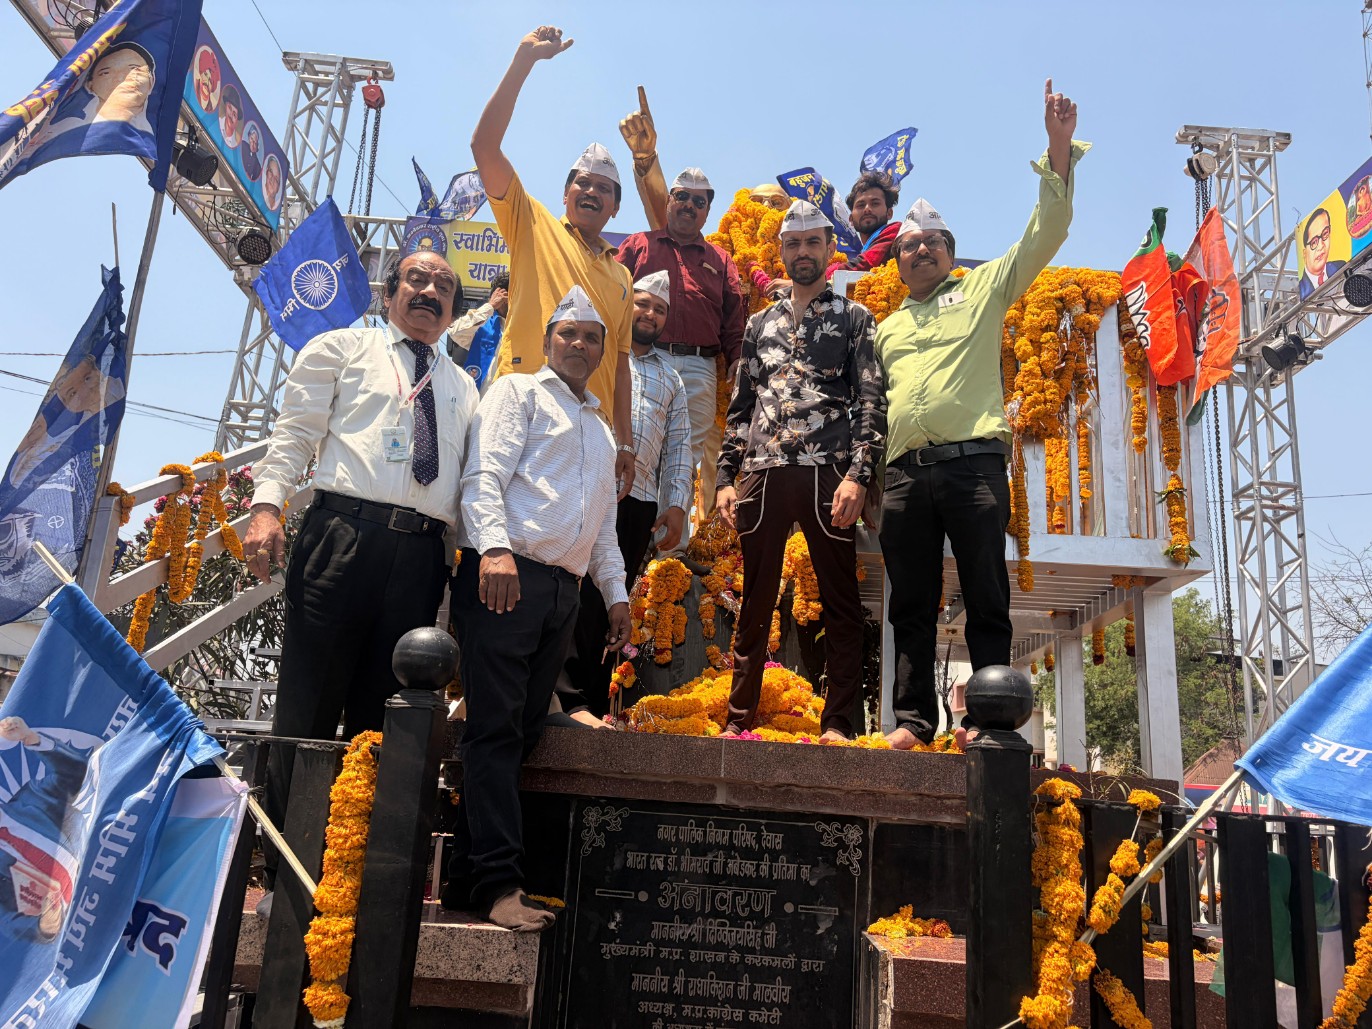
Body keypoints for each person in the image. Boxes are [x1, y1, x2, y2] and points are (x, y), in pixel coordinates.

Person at [242, 250, 479, 902]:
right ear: (389, 291)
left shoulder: (465, 387)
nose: (430, 292)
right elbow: (293, 435)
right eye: (417, 280)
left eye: (443, 286)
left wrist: (462, 579)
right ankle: (286, 866)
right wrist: (266, 506)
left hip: (420, 558)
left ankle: (352, 874)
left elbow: (470, 491)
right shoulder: (341, 348)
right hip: (340, 538)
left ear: (454, 306)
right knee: (308, 705)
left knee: (384, 719)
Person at [876, 79, 1084, 749]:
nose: (923, 250)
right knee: (908, 603)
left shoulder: (983, 289)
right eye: (912, 245)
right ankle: (911, 721)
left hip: (972, 467)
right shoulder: (883, 329)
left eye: (935, 241)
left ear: (950, 250)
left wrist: (1057, 150)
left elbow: (1043, 233)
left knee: (987, 593)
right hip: (904, 476)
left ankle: (986, 720)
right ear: (899, 261)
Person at [443, 285, 629, 931]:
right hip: (507, 576)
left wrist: (618, 595)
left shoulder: (602, 431)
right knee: (495, 729)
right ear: (548, 338)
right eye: (568, 332)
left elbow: (603, 527)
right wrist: (492, 548)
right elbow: (484, 476)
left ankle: (468, 873)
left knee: (520, 733)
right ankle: (500, 883)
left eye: (591, 336)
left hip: (563, 594)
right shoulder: (517, 392)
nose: (579, 343)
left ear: (602, 350)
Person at [716, 200, 886, 742]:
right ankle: (738, 721)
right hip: (763, 471)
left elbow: (869, 400)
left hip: (828, 472)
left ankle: (839, 723)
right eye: (794, 244)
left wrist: (859, 474)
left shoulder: (854, 318)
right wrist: (724, 477)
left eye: (814, 242)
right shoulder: (759, 322)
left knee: (839, 601)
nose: (803, 252)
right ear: (782, 251)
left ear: (829, 249)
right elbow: (741, 403)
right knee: (754, 603)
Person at [470, 25, 636, 498]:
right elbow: (484, 146)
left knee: (567, 560)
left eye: (603, 188)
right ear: (565, 195)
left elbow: (621, 366)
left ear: (615, 208)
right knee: (490, 541)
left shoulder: (623, 275)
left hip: (589, 430)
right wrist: (524, 61)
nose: (591, 190)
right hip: (521, 405)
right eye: (581, 183)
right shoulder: (531, 222)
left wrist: (623, 440)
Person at [559, 270, 693, 724]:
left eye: (658, 309)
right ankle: (564, 698)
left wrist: (675, 505)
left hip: (637, 501)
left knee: (611, 602)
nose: (649, 313)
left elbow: (679, 447)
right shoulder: (599, 355)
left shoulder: (670, 378)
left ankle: (594, 703)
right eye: (641, 304)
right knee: (570, 591)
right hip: (582, 486)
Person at [617, 168, 746, 530]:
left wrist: (736, 359)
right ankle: (625, 534)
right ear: (669, 202)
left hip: (699, 367)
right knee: (634, 445)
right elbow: (611, 298)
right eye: (682, 197)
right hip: (641, 358)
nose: (689, 205)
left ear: (707, 212)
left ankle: (669, 555)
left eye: (699, 201)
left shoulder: (720, 260)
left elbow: (734, 318)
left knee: (684, 459)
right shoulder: (639, 245)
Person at [0, 716, 96, 943]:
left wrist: (30, 738)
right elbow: (11, 924)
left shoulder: (33, 799)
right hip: (77, 892)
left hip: (106, 847)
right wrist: (46, 926)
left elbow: (76, 774)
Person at [827, 170, 901, 278]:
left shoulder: (895, 231)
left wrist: (820, 278)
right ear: (851, 219)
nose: (867, 209)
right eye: (860, 205)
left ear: (889, 213)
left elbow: (866, 264)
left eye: (875, 203)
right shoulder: (865, 250)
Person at [447, 271, 508, 378]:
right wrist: (490, 306)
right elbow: (455, 333)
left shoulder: (528, 327)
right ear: (503, 296)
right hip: (485, 393)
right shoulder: (482, 324)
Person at [1298, 207, 1345, 299]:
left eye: (1325, 234)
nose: (1321, 246)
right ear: (1304, 253)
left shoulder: (1342, 266)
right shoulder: (1302, 290)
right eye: (1314, 242)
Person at [218, 84, 242, 148]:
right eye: (229, 108)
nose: (231, 114)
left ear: (237, 121)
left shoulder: (235, 144)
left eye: (234, 114)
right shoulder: (216, 122)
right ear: (226, 107)